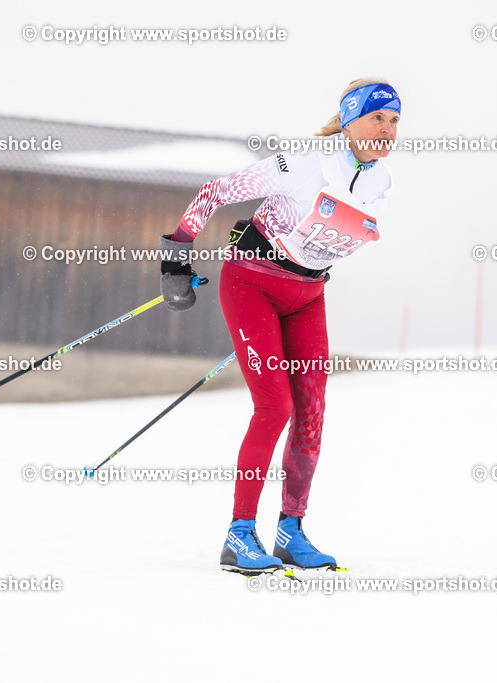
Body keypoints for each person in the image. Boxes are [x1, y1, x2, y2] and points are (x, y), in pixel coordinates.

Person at [158, 78, 400, 575]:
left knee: (311, 411)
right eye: (378, 117)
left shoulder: (382, 183)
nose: (388, 129)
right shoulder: (306, 161)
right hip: (252, 283)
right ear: (351, 119)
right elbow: (217, 191)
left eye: (395, 120)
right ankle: (239, 535)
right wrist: (176, 257)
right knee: (275, 406)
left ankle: (291, 530)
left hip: (308, 295)